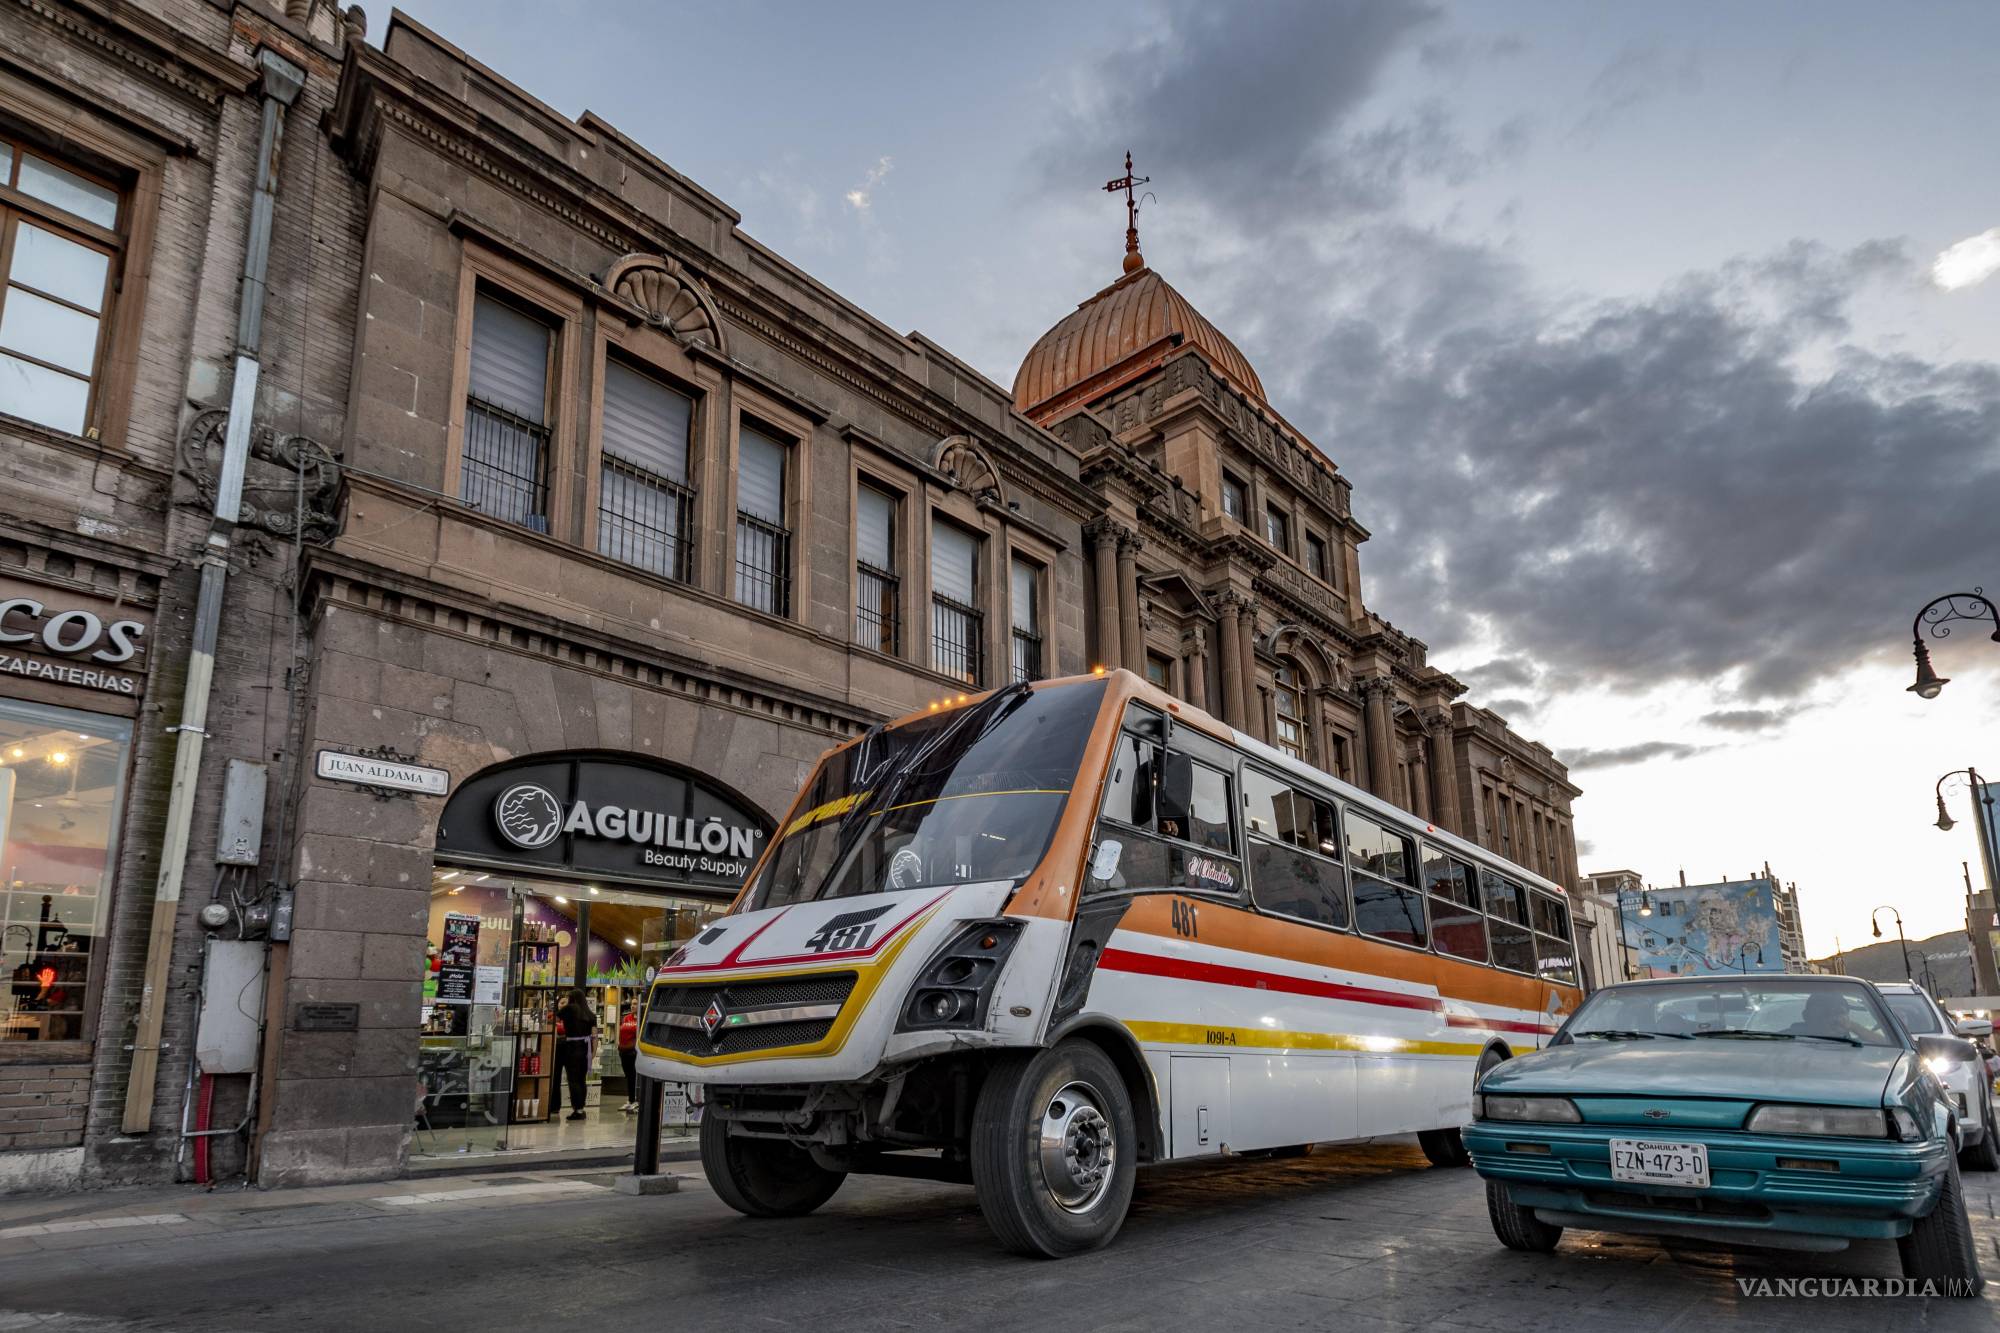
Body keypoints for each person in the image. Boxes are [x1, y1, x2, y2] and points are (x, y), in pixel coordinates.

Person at [553, 988, 596, 1122]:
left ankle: (576, 1110)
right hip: (585, 1049)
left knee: (573, 1080)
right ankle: (581, 1108)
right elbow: (595, 1035)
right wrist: (593, 1052)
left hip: (571, 1048)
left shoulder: (569, 1009)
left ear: (572, 999)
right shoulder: (591, 1014)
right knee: (582, 1080)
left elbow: (555, 1016)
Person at [618, 1006, 640, 1113]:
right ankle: (630, 1100)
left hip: (633, 1052)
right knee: (628, 1076)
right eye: (632, 1003)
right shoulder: (626, 1018)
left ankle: (635, 1100)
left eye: (635, 1003)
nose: (633, 1006)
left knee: (633, 1076)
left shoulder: (641, 1018)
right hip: (623, 1050)